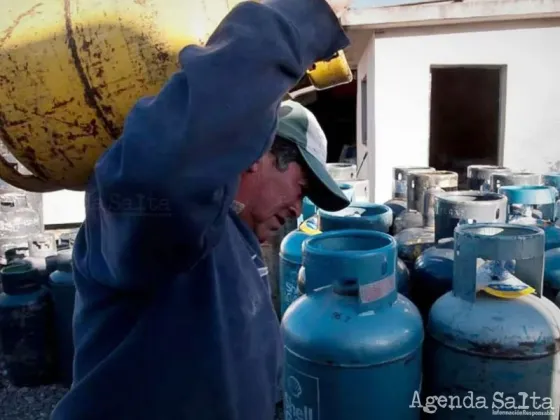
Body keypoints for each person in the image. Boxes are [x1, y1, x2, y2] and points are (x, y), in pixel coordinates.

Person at [51, 0, 351, 418]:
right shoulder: (161, 223)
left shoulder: (241, 243)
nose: (298, 210)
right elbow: (167, 173)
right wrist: (297, 18)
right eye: (300, 187)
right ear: (257, 154)